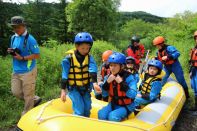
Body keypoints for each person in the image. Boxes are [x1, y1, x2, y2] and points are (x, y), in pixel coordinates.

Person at [60, 32, 101, 117]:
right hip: (74, 88)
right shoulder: (68, 59)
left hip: (86, 88)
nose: (85, 50)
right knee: (79, 110)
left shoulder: (90, 58)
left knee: (87, 109)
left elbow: (93, 69)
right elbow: (64, 75)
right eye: (82, 48)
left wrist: (94, 83)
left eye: (87, 48)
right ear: (77, 46)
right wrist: (63, 90)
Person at [7, 16, 41, 116]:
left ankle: (26, 116)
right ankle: (34, 99)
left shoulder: (31, 39)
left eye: (18, 27)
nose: (16, 29)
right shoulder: (13, 37)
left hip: (28, 71)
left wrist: (22, 58)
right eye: (14, 27)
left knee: (28, 95)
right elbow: (16, 49)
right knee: (16, 92)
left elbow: (37, 55)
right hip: (16, 70)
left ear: (23, 26)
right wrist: (11, 51)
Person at [98, 52, 137, 122]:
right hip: (114, 103)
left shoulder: (129, 77)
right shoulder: (108, 77)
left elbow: (133, 95)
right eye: (111, 65)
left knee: (112, 117)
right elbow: (104, 94)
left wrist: (121, 83)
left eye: (115, 65)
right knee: (101, 114)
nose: (112, 68)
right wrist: (107, 83)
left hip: (126, 106)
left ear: (122, 66)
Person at [189, 31, 197, 111]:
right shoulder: (194, 49)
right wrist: (190, 71)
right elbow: (192, 61)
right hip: (194, 70)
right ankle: (195, 106)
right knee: (194, 88)